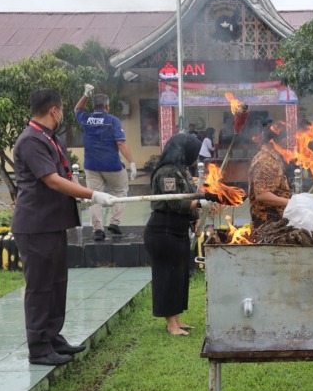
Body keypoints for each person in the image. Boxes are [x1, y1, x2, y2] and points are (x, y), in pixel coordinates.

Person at [12, 88, 115, 365]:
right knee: (40, 287)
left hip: (52, 223)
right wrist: (92, 194)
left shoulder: (48, 137)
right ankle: (39, 348)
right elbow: (53, 180)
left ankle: (53, 338)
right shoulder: (31, 141)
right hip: (36, 226)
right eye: (61, 109)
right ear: (54, 110)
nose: (62, 113)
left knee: (57, 284)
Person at [143, 133, 224, 336]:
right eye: (192, 152)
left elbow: (190, 198)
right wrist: (202, 202)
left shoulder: (182, 171)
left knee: (179, 276)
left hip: (177, 230)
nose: (194, 156)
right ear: (182, 150)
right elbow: (175, 202)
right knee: (166, 276)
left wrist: (197, 214)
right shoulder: (167, 172)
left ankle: (177, 320)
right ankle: (171, 324)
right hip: (163, 231)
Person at [74, 86, 136, 241]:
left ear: (94, 107)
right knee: (120, 192)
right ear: (107, 106)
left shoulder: (87, 119)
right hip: (112, 166)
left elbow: (77, 109)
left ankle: (98, 230)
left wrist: (85, 95)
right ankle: (114, 223)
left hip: (91, 166)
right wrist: (132, 163)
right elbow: (121, 143)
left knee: (94, 196)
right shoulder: (113, 121)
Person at [248, 120, 292, 229]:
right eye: (287, 139)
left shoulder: (273, 157)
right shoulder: (265, 161)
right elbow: (262, 195)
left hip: (275, 221)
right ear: (281, 140)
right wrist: (292, 203)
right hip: (268, 223)